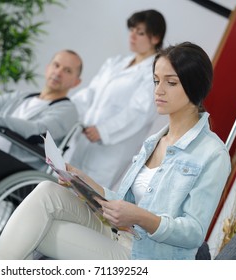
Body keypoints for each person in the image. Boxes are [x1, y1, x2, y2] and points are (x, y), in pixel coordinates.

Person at [0, 42, 231, 260]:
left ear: (195, 86)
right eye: (156, 81)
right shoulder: (154, 141)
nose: (158, 90)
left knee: (41, 229)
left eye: (171, 82)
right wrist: (84, 181)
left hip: (145, 258)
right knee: (47, 191)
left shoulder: (212, 154)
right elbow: (123, 204)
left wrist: (140, 217)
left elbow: (194, 233)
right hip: (119, 233)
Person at [67, 9, 167, 189]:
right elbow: (90, 93)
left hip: (110, 150)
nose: (133, 36)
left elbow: (138, 113)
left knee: (85, 199)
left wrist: (104, 130)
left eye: (140, 32)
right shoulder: (115, 63)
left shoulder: (153, 74)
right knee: (61, 187)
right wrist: (65, 108)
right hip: (83, 139)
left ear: (155, 38)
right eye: (132, 30)